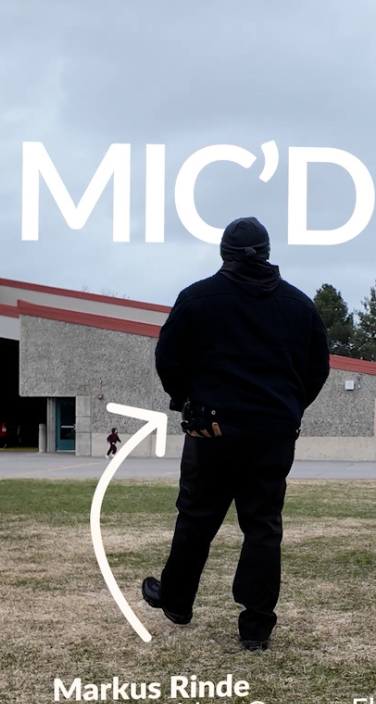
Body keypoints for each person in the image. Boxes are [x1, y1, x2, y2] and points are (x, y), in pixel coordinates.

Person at [141, 216, 330, 650]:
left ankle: (176, 600)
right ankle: (257, 627)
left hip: (212, 428)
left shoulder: (196, 299)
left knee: (196, 516)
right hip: (273, 434)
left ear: (224, 253)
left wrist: (185, 399)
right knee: (263, 526)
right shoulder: (300, 306)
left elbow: (168, 359)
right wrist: (287, 409)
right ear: (267, 253)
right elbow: (316, 369)